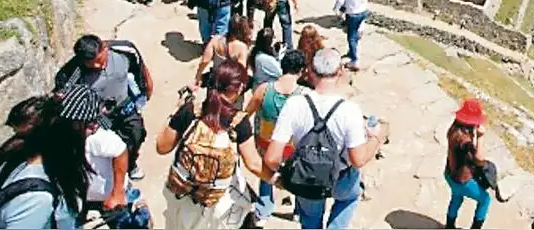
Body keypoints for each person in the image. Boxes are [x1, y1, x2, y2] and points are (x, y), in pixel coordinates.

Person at [262, 48, 386, 230]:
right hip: (341, 176)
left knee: (310, 221)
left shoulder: (294, 105)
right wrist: (375, 138)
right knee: (349, 198)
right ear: (340, 72)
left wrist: (284, 177)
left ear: (310, 70)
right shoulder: (349, 110)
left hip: (307, 176)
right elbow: (358, 159)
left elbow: (272, 158)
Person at [156, 60, 271, 230]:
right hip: (218, 203)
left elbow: (162, 147)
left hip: (182, 198)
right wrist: (280, 179)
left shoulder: (190, 111)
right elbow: (253, 164)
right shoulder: (239, 122)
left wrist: (177, 109)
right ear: (239, 89)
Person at [0, 86, 101, 229]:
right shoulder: (36, 199)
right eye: (91, 123)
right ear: (70, 134)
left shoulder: (19, 152)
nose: (96, 127)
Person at [54, 35, 153, 181]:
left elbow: (139, 68)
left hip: (125, 107)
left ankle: (130, 164)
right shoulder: (71, 73)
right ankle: (112, 174)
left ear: (105, 49)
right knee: (106, 149)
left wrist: (147, 89)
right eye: (91, 64)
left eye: (100, 61)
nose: (97, 67)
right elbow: (62, 96)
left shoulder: (126, 50)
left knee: (137, 135)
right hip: (98, 119)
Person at [244, 49, 307, 221]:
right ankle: (299, 212)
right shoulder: (305, 95)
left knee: (266, 175)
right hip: (292, 148)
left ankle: (263, 210)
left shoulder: (264, 89)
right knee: (299, 177)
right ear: (302, 70)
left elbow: (246, 113)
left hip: (265, 144)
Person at [82, 125, 154, 228]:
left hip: (116, 202)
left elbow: (120, 150)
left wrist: (117, 194)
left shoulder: (95, 135)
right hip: (88, 201)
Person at [444, 99, 491, 230]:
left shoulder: (453, 129)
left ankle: (449, 226)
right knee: (485, 200)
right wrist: (480, 137)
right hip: (462, 181)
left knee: (456, 197)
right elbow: (479, 159)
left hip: (450, 174)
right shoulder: (465, 140)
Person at [193, 15, 252, 91]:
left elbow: (205, 60)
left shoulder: (216, 39)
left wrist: (198, 76)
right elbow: (241, 69)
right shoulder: (242, 47)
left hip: (216, 78)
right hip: (230, 83)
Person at [333, 0, 372, 72]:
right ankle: (352, 51)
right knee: (356, 33)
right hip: (364, 9)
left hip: (353, 12)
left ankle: (354, 61)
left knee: (351, 36)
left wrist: (337, 10)